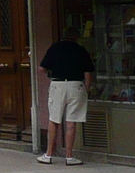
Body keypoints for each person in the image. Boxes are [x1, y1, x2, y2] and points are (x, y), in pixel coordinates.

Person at [38, 27, 94, 165]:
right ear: (76, 37)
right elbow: (88, 74)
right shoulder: (81, 50)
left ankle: (48, 154)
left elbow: (41, 69)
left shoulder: (55, 48)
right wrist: (85, 90)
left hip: (58, 85)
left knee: (54, 119)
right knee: (71, 122)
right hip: (76, 86)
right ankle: (69, 156)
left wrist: (51, 73)